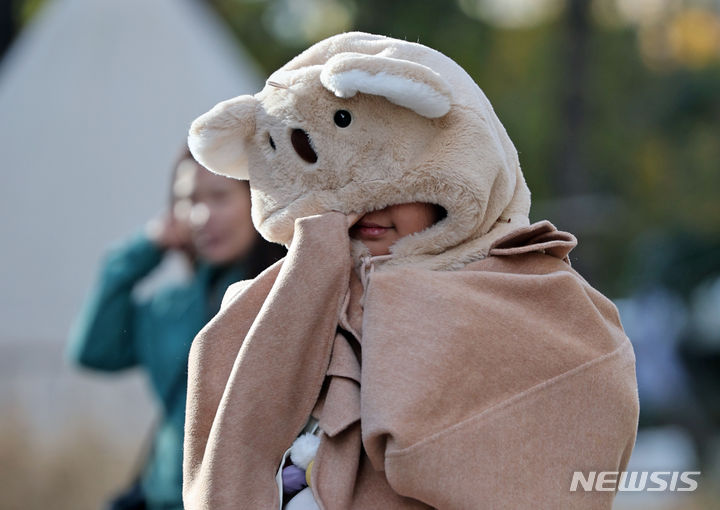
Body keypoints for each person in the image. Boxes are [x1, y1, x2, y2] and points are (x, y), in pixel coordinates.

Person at [182, 32, 639, 509]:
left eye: (386, 186)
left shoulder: (535, 302)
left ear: (454, 166)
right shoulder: (282, 300)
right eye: (338, 198)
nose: (362, 212)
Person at [67, 147, 285, 510]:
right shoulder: (169, 308)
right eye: (188, 201)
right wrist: (145, 246)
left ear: (258, 200)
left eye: (219, 197)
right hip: (164, 498)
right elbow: (93, 351)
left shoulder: (288, 300)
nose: (201, 215)